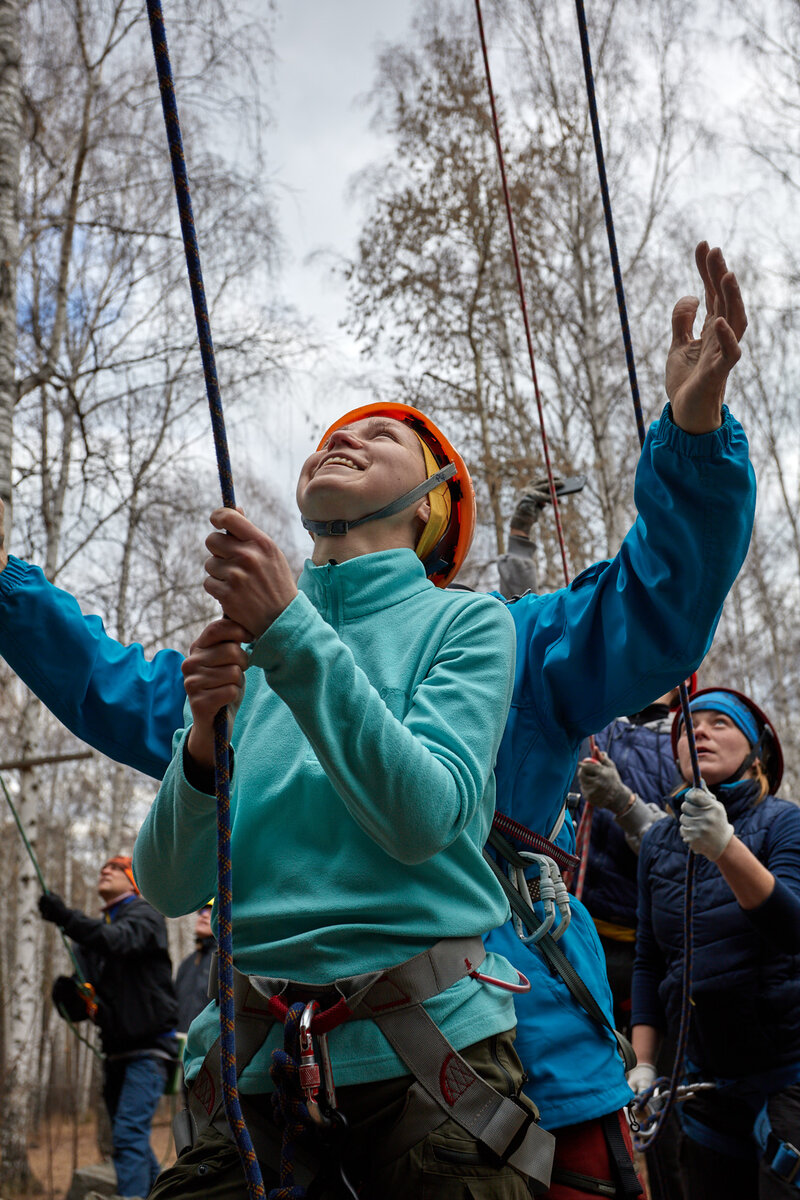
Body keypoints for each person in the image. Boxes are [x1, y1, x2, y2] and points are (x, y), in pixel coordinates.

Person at [0, 242, 756, 1195]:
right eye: (331, 434)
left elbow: (658, 605)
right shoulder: (248, 660)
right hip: (261, 1070)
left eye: (385, 436)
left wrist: (692, 437)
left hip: (491, 1065)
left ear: (435, 504)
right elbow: (112, 686)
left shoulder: (504, 637)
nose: (343, 438)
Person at [631, 687, 800, 1198]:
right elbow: (649, 961)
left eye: (718, 723)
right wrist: (643, 1064)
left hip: (787, 1078)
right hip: (702, 1085)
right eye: (687, 727)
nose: (698, 731)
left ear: (754, 751)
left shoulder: (783, 822)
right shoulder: (659, 844)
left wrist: (726, 848)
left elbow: (792, 930)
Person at [39, 855, 179, 1199]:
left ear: (133, 882)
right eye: (103, 867)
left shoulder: (145, 915)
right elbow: (88, 1002)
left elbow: (119, 940)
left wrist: (66, 918)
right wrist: (69, 997)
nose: (106, 870)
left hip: (149, 1049)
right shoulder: (92, 938)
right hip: (115, 1051)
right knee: (127, 1137)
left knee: (129, 1134)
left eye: (115, 868)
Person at [174, 904, 216, 1035]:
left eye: (212, 911)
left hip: (209, 1043)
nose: (204, 915)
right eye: (203, 911)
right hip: (182, 1040)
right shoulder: (188, 962)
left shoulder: (226, 961)